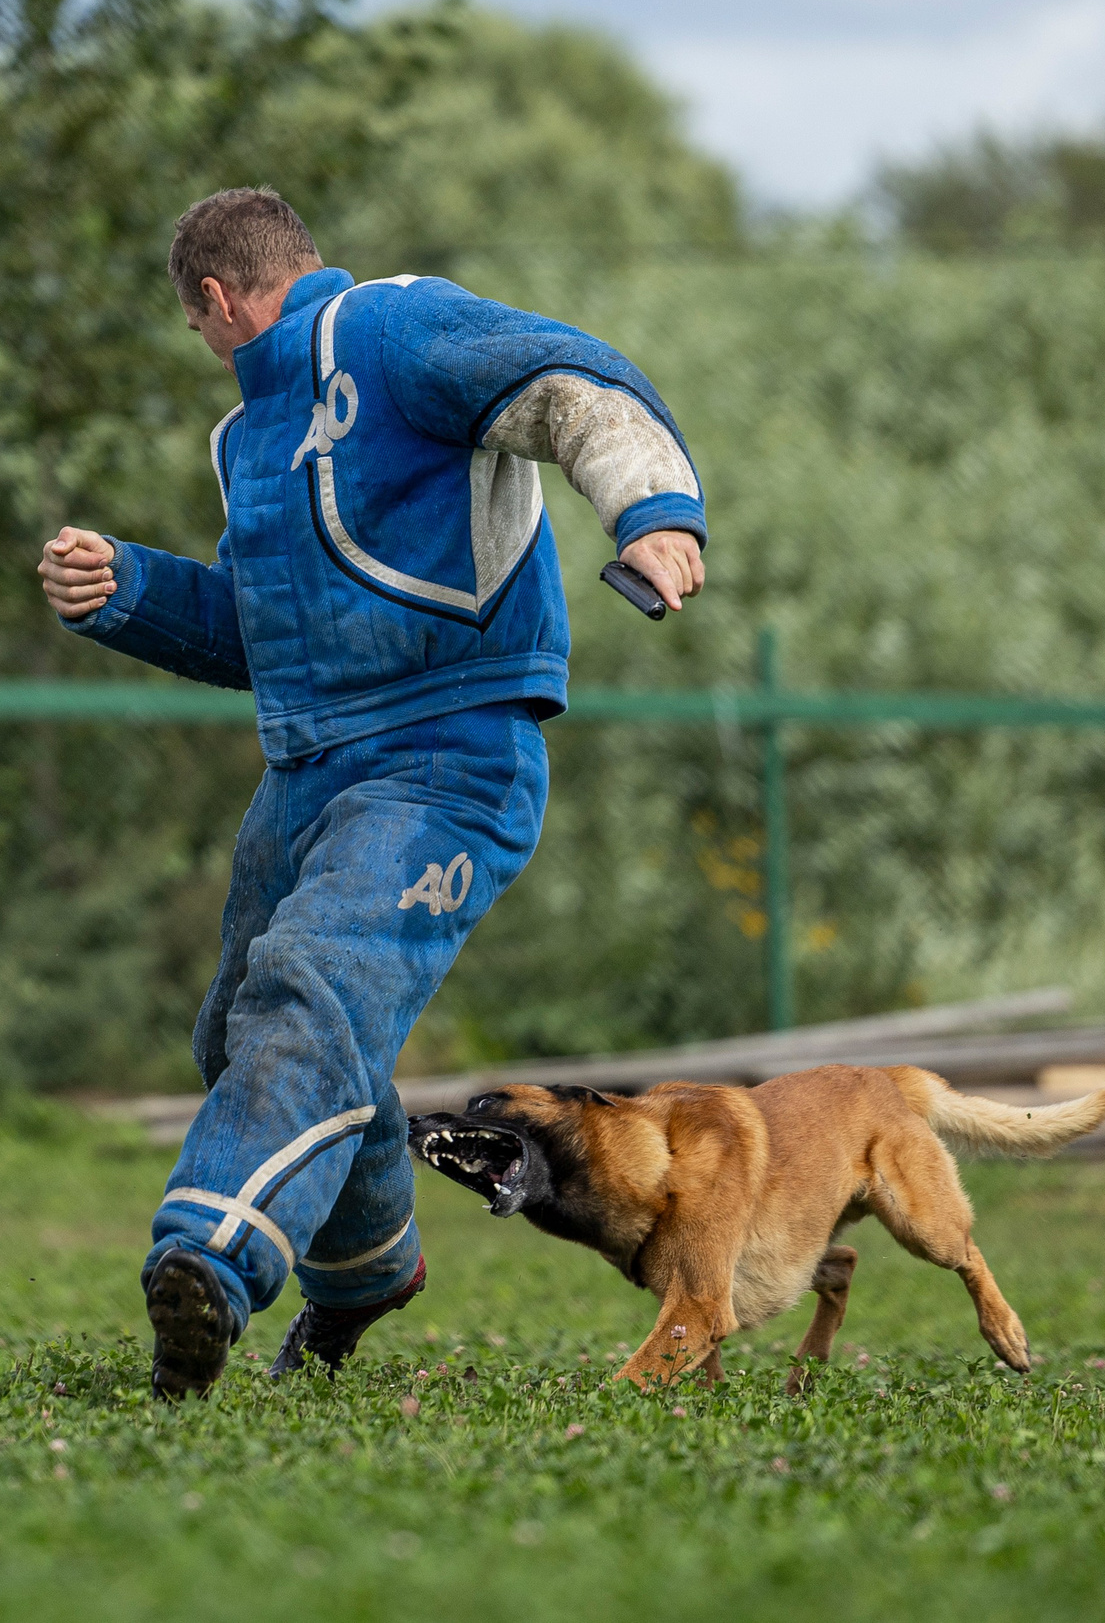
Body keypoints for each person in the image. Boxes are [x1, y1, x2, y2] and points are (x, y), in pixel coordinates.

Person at [37, 188, 706, 1399]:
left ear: (216, 301)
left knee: (312, 991)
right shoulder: (249, 440)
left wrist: (654, 514)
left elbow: (573, 386)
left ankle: (206, 1264)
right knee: (241, 1031)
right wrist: (124, 589)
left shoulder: (393, 330)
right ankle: (365, 1274)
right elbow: (258, 632)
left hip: (448, 755)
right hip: (309, 770)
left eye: (195, 327)